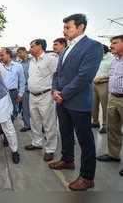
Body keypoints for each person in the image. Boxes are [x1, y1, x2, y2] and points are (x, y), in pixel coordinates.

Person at [49, 13, 103, 191]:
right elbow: (58, 73)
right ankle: (67, 160)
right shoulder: (65, 49)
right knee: (65, 133)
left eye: (68, 27)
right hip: (62, 100)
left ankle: (87, 177)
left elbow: (84, 76)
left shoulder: (93, 47)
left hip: (78, 101)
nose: (64, 31)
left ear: (80, 27)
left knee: (85, 140)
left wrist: (63, 94)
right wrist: (55, 90)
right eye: (63, 27)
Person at [24, 39, 58, 162]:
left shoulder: (51, 58)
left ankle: (50, 149)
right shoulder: (32, 61)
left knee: (48, 123)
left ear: (40, 47)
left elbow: (57, 75)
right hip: (32, 95)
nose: (30, 48)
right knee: (35, 121)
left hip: (46, 95)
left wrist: (55, 91)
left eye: (32, 46)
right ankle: (37, 142)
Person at [96, 35, 123, 177]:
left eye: (115, 43)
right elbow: (112, 76)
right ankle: (113, 154)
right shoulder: (115, 60)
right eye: (111, 43)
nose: (111, 45)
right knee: (113, 129)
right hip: (113, 97)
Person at [92, 44, 114, 133]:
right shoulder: (96, 58)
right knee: (94, 104)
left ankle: (105, 125)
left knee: (105, 106)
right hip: (94, 83)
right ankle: (95, 121)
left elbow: (113, 73)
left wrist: (102, 78)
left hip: (104, 83)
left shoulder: (111, 59)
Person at [17, 47, 31, 132]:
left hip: (34, 88)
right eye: (18, 53)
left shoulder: (33, 61)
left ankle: (43, 126)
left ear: (25, 52)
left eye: (20, 52)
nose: (19, 54)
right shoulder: (19, 64)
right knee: (25, 109)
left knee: (37, 109)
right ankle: (27, 125)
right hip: (24, 89)